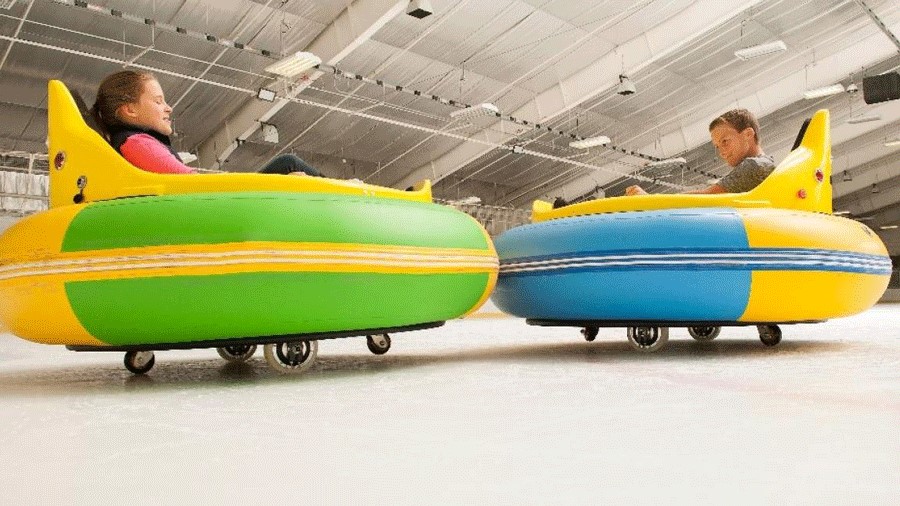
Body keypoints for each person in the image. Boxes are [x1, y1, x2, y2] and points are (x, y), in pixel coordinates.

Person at [90, 70, 322, 176]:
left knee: (287, 165)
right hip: (214, 202)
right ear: (130, 110)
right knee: (288, 163)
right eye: (158, 101)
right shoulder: (138, 144)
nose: (168, 108)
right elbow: (188, 181)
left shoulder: (138, 142)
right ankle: (349, 194)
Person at [625, 108, 775, 196]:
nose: (722, 152)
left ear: (748, 134)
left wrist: (650, 199)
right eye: (717, 146)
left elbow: (706, 198)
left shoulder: (755, 166)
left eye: (725, 141)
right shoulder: (766, 166)